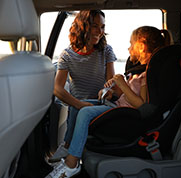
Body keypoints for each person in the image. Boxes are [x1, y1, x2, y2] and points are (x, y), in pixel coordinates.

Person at [45, 26, 171, 178]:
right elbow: (125, 95)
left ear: (142, 46)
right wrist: (111, 93)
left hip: (125, 115)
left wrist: (122, 84)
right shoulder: (138, 70)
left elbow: (141, 105)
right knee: (80, 104)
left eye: (131, 44)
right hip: (118, 107)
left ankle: (71, 164)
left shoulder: (146, 74)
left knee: (85, 112)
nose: (129, 48)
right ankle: (68, 147)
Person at [49, 10, 117, 163]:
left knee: (78, 108)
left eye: (102, 27)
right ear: (82, 27)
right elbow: (57, 88)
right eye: (95, 26)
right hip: (78, 105)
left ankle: (67, 146)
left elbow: (111, 82)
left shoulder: (106, 51)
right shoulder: (67, 55)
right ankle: (68, 150)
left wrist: (107, 91)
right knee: (75, 107)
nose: (100, 31)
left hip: (100, 103)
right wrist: (79, 104)